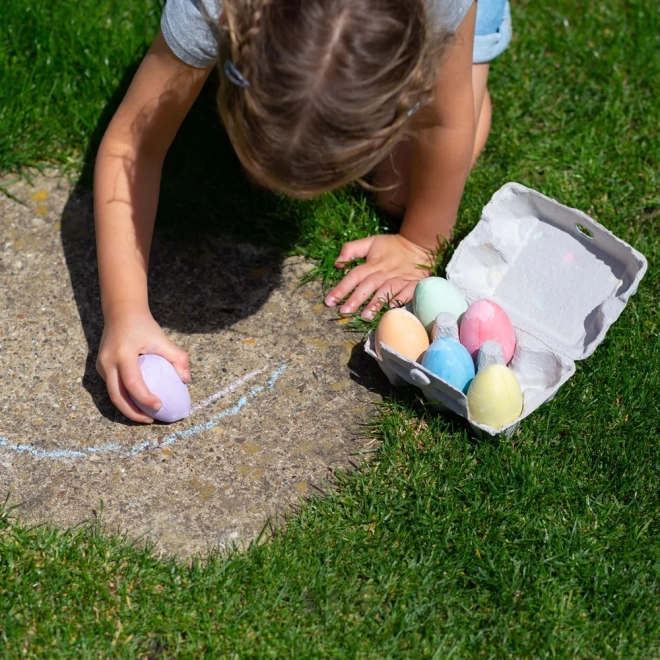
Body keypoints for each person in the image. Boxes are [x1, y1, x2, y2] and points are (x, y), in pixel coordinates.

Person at [94, 0, 512, 422]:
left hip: (459, 16)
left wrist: (418, 240)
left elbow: (445, 120)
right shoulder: (210, 6)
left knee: (401, 194)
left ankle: (470, 61)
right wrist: (125, 311)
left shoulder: (439, 7)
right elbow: (131, 145)